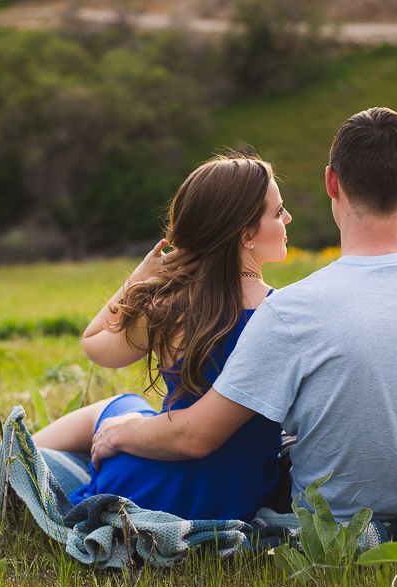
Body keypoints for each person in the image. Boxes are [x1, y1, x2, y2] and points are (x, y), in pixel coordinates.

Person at [90, 107, 397, 522]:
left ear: (332, 181)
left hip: (334, 518)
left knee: (116, 410)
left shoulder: (293, 308)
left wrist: (121, 431)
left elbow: (196, 435)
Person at [32, 154, 291, 521]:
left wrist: (139, 276)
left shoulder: (169, 309)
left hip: (148, 487)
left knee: (120, 405)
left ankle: (12, 456)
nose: (288, 219)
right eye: (279, 212)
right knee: (126, 409)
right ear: (247, 235)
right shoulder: (283, 315)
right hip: (238, 495)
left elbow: (94, 342)